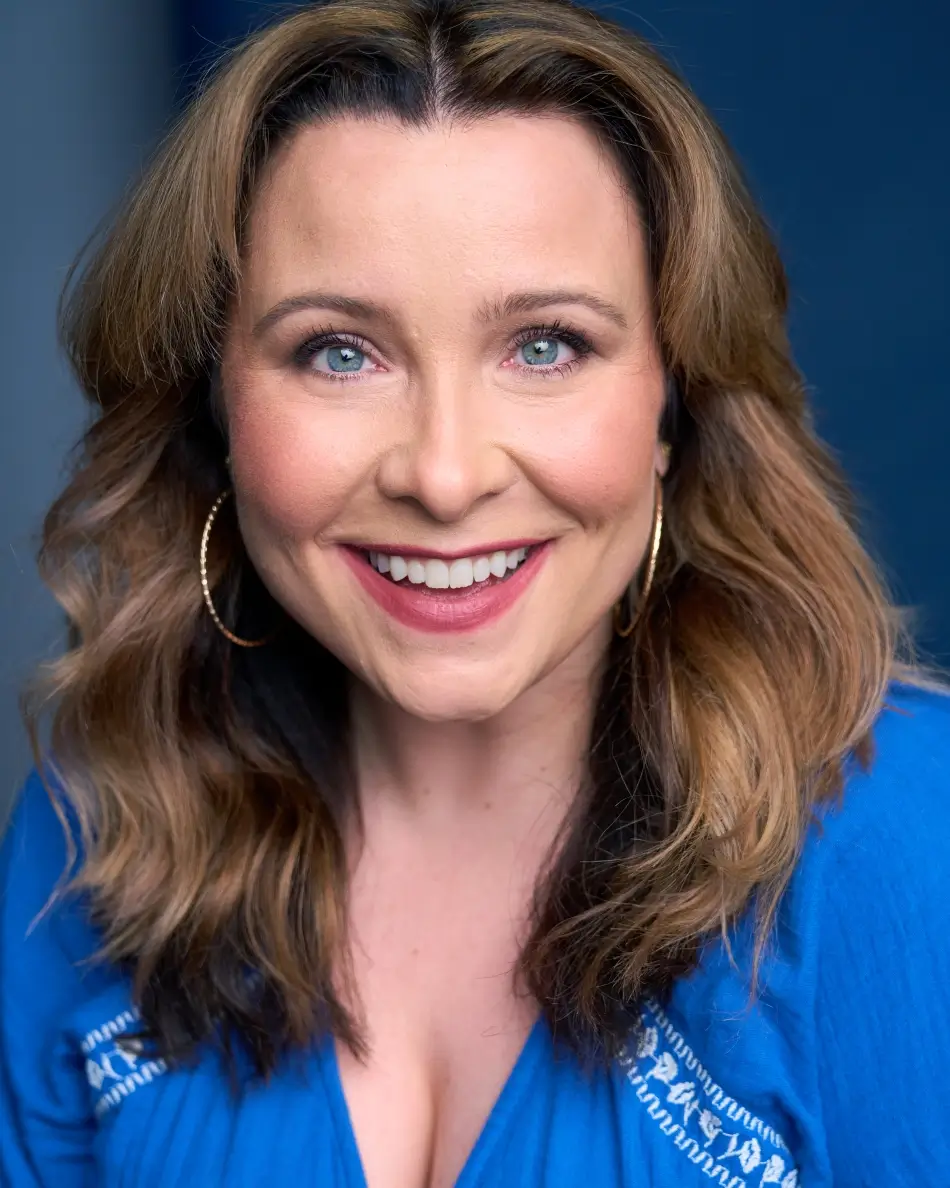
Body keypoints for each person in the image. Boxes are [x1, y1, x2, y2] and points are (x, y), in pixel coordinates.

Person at [2, 0, 949, 1184]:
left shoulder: (903, 850)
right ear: (214, 413)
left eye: (544, 345)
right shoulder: (95, 840)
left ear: (673, 403)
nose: (445, 476)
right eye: (338, 351)